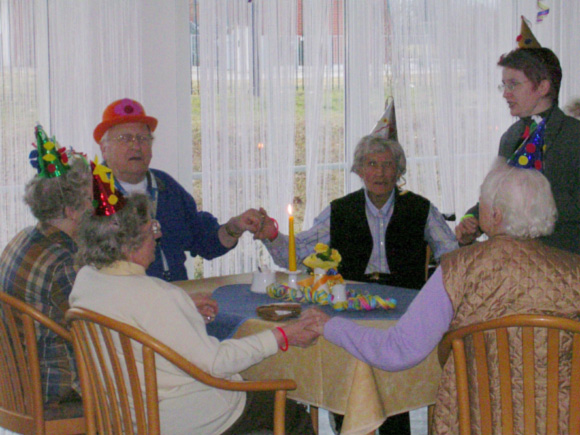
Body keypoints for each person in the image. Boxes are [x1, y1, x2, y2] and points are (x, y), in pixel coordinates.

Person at [308, 159, 580, 434]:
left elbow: (398, 350)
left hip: (476, 420)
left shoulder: (459, 268)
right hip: (565, 421)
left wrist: (328, 325)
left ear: (495, 215)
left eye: (481, 202)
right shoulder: (575, 270)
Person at [70, 190, 319, 435]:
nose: (158, 237)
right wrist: (282, 336)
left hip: (123, 418)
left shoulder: (87, 280)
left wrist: (183, 308)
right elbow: (216, 363)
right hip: (185, 420)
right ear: (127, 246)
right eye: (151, 231)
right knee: (292, 413)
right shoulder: (158, 295)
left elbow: (131, 313)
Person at [94, 98, 266, 281]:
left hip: (175, 296)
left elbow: (204, 241)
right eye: (125, 138)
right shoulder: (92, 194)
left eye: (142, 138)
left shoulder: (166, 187)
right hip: (121, 302)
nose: (135, 146)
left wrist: (234, 227)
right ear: (104, 149)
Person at [257, 135, 458, 291]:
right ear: (360, 170)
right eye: (372, 164)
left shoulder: (421, 208)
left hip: (408, 303)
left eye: (387, 165)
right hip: (350, 301)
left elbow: (452, 255)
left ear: (398, 172)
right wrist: (272, 236)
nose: (380, 173)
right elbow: (298, 254)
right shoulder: (340, 211)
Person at [456, 47, 580, 254]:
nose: (506, 94)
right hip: (515, 259)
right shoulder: (511, 136)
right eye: (503, 85)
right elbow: (501, 192)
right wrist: (473, 219)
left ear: (542, 87)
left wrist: (534, 203)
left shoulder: (575, 136)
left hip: (566, 260)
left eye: (514, 84)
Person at [0, 126, 92, 405]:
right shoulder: (64, 261)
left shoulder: (22, 239)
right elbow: (97, 330)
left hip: (15, 385)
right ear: (71, 211)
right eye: (91, 199)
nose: (97, 206)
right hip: (57, 390)